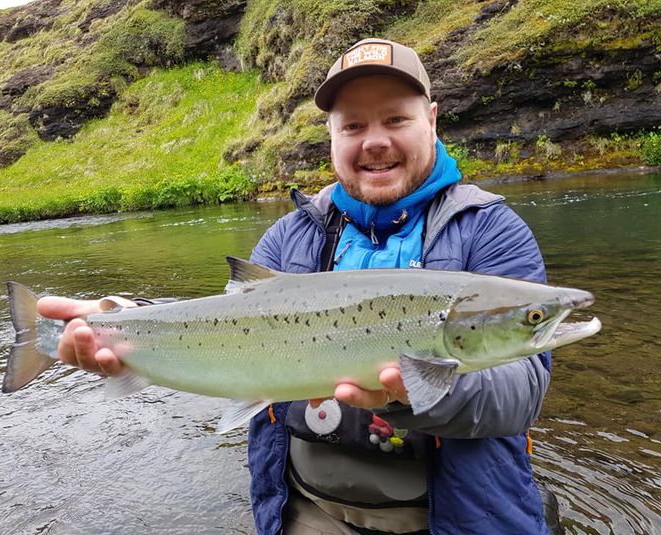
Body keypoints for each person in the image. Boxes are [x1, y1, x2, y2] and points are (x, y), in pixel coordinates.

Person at [39, 39, 557, 535]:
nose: (375, 140)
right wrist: (125, 315)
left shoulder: (491, 230)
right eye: (353, 125)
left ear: (432, 120)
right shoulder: (289, 237)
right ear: (332, 136)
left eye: (395, 119)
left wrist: (415, 389)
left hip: (455, 517)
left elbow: (522, 392)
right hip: (308, 511)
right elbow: (224, 319)